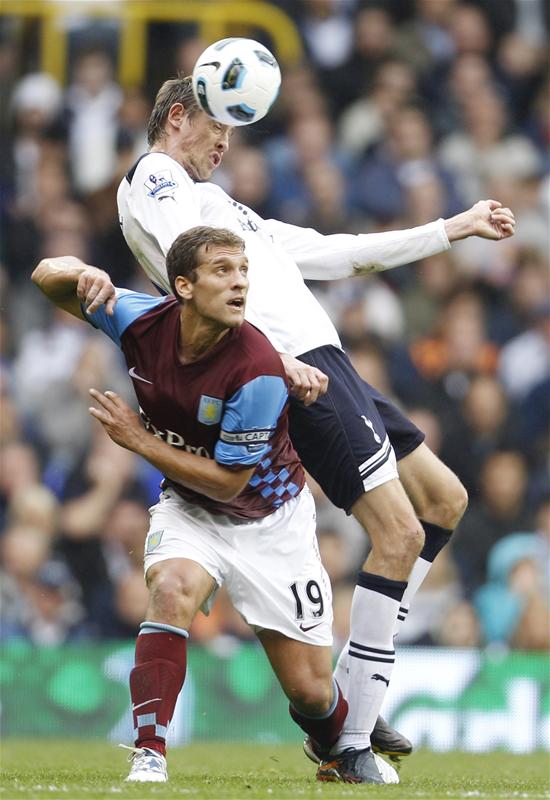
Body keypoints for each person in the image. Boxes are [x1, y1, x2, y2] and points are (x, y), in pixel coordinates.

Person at [116, 76, 515, 783]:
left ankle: (358, 694)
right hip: (297, 364)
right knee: (401, 534)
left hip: (326, 358)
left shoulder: (221, 206)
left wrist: (453, 227)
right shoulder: (156, 178)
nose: (226, 142)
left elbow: (338, 252)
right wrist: (272, 359)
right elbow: (191, 264)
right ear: (178, 118)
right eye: (218, 127)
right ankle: (351, 738)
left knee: (444, 499)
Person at [31, 225, 398, 783]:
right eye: (223, 271)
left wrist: (140, 442)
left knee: (312, 692)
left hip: (269, 520)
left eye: (243, 271)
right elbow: (44, 278)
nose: (239, 284)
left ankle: (342, 745)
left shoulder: (256, 366)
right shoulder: (137, 319)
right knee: (172, 589)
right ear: (182, 285)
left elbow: (230, 482)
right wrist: (83, 273)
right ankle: (149, 753)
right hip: (190, 509)